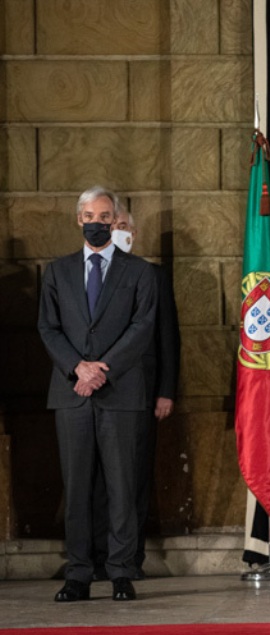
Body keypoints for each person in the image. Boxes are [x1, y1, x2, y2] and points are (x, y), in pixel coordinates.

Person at [37, 185, 157, 602]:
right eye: (89, 217)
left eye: (104, 217)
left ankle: (121, 571)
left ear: (115, 221)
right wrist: (78, 367)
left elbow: (142, 328)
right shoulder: (57, 272)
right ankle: (79, 573)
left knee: (122, 486)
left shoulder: (139, 272)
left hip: (120, 393)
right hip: (71, 393)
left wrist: (101, 370)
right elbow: (48, 328)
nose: (96, 224)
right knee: (77, 487)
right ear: (79, 220)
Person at [91, 206, 181, 579]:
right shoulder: (85, 274)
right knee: (94, 479)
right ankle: (97, 558)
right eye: (115, 225)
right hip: (92, 390)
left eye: (125, 226)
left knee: (133, 477)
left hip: (140, 391)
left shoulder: (152, 275)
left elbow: (167, 338)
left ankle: (129, 558)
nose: (119, 231)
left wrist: (165, 391)